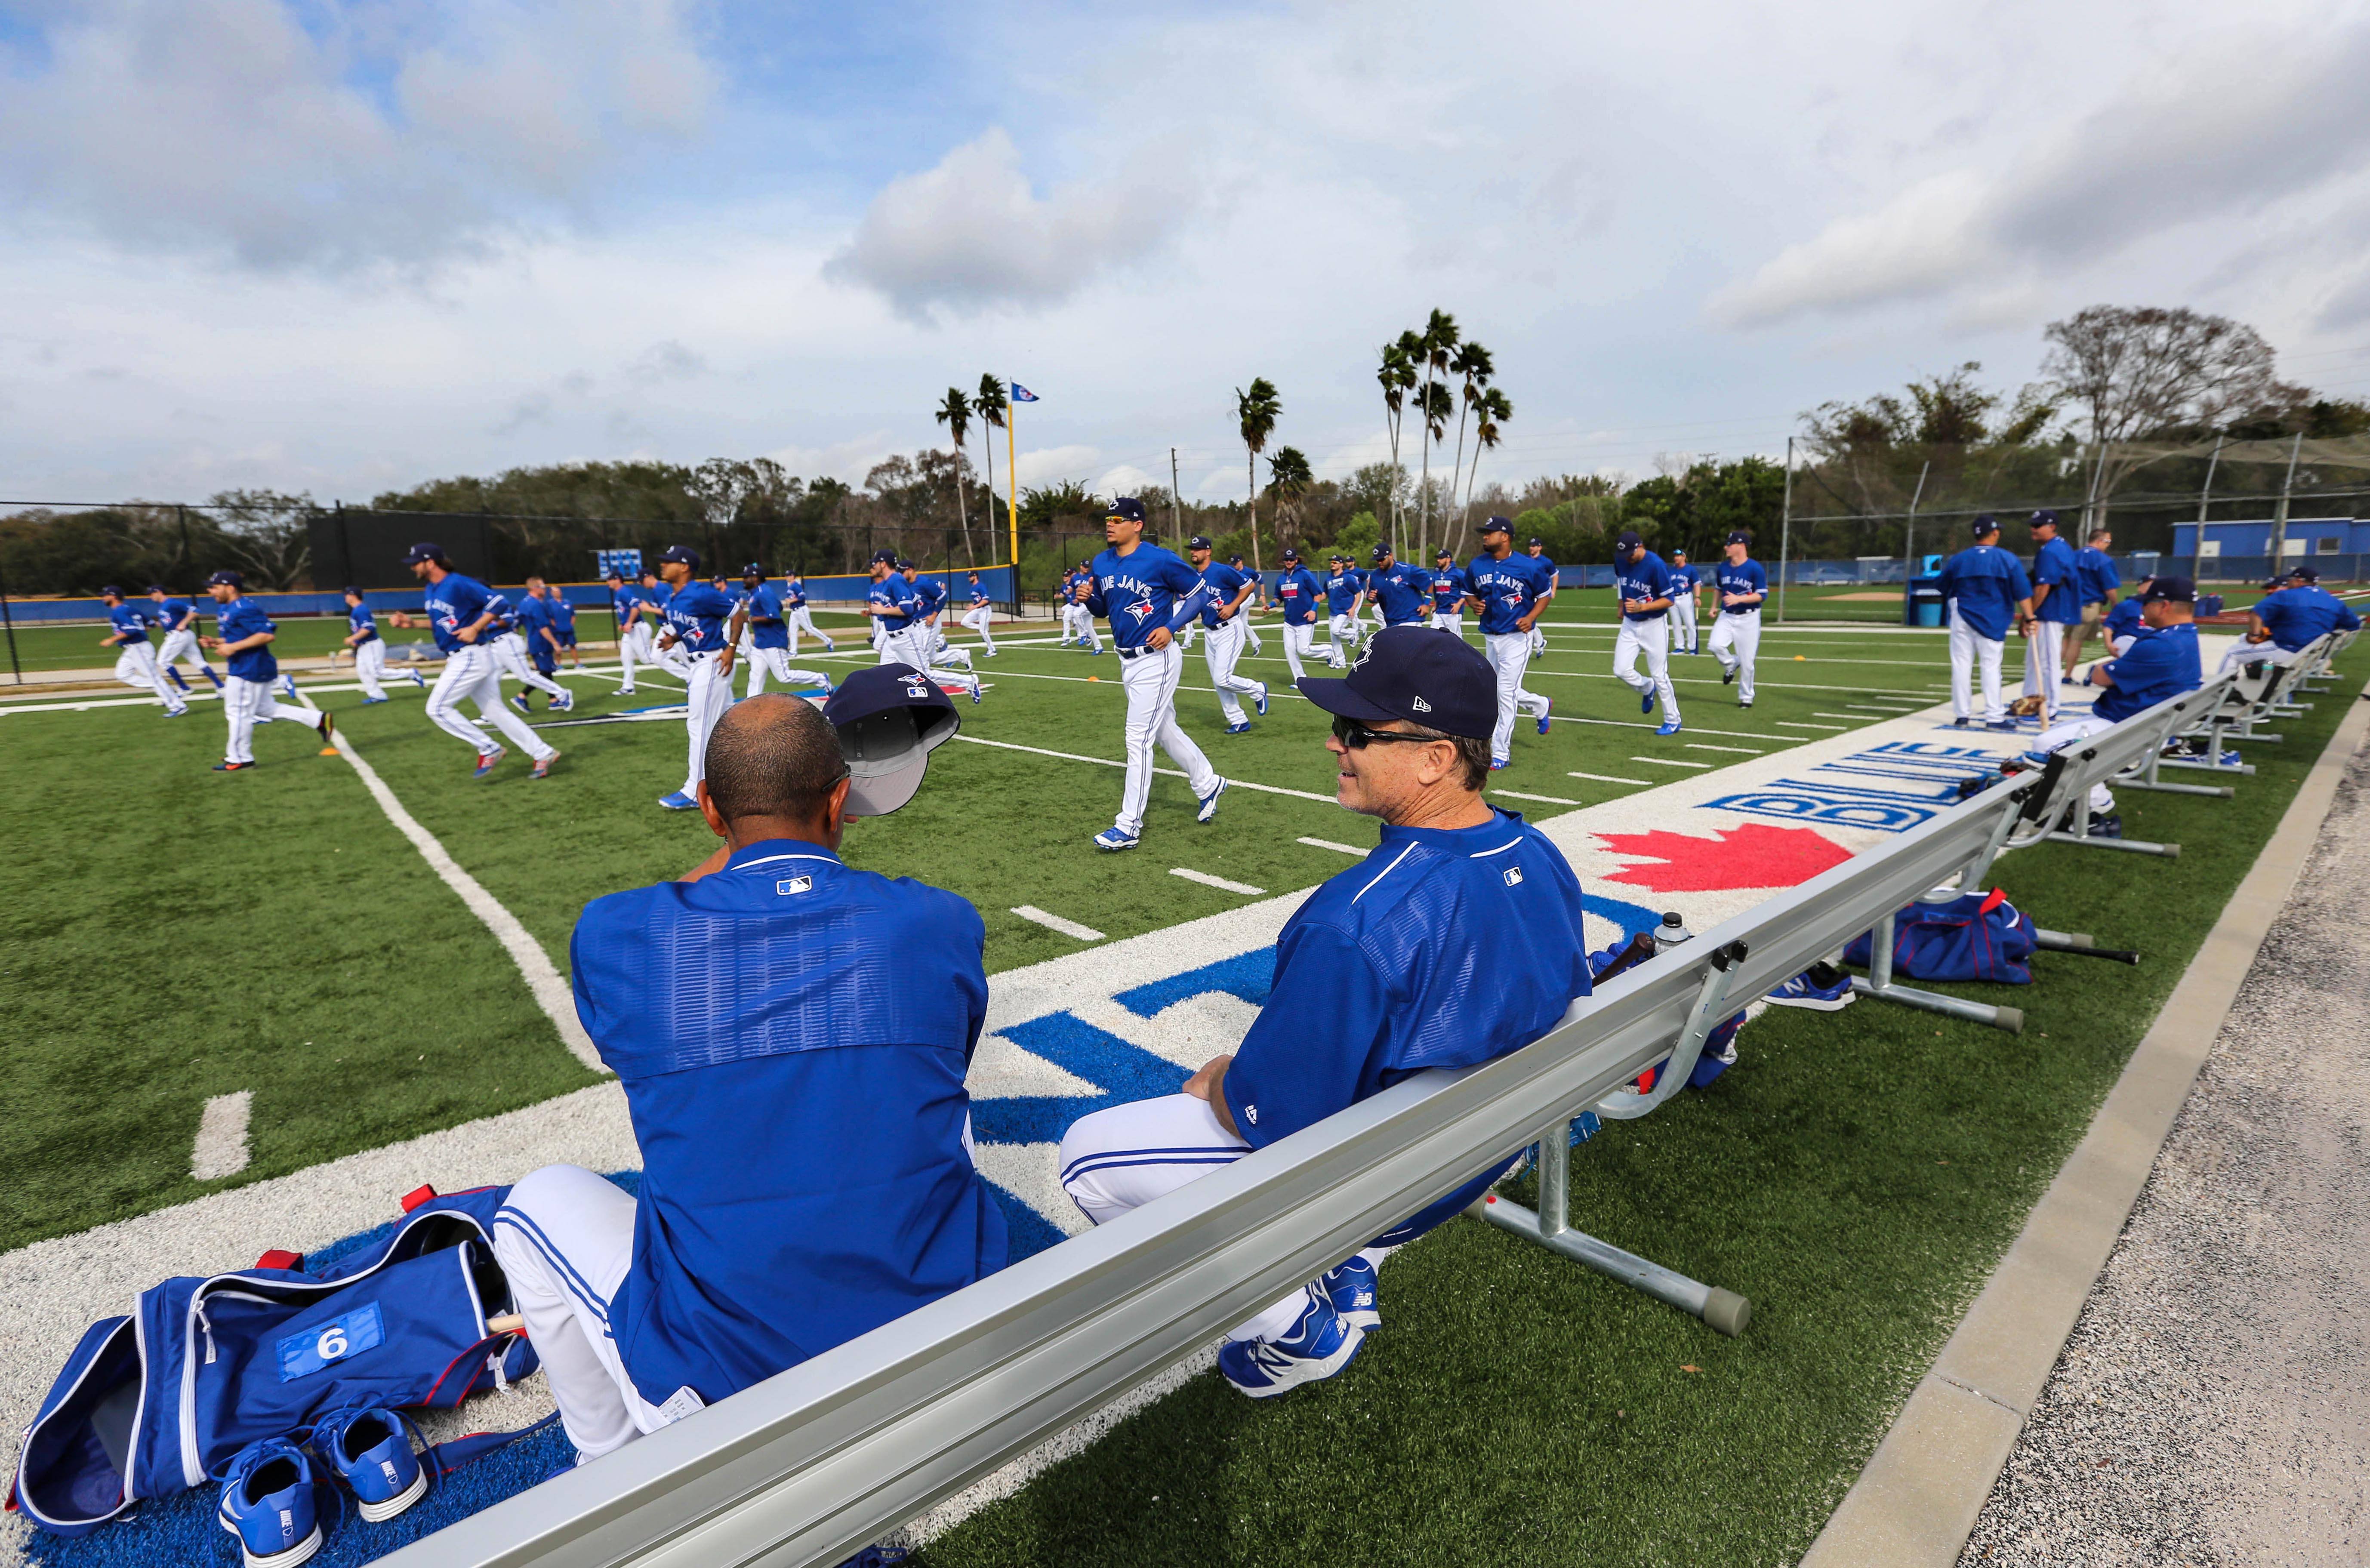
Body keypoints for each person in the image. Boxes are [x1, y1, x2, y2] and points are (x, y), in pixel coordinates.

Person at [1056, 628, 1593, 1397]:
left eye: (1358, 732)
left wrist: (1215, 1083)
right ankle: (1344, 1264)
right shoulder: (1534, 849)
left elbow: (1268, 1112)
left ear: (1436, 758)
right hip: (1489, 1144)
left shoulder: (1358, 917)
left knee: (1088, 1158)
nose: (1332, 743)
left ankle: (1295, 1326)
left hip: (1393, 1184)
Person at [493, 678, 1007, 1464]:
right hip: (939, 1342)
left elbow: (650, 992)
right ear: (839, 804)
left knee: (532, 1206)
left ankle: (606, 1467)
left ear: (707, 810)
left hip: (731, 1385)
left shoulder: (616, 936)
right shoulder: (937, 921)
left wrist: (743, 845)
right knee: (931, 1102)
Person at [1082, 498, 1226, 849]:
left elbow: (1199, 594)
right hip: (1126, 660)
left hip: (1156, 658)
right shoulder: (1102, 561)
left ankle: (1128, 825)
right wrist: (1088, 599)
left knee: (1137, 739)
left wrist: (1172, 626)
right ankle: (1208, 783)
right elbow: (1106, 607)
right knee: (1162, 730)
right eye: (1108, 519)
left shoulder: (1160, 559)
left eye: (1118, 519)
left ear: (1137, 525)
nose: (1110, 524)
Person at [2028, 578, 2204, 838]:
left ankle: (2092, 810)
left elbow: (2100, 677)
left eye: (2148, 604)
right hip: (2149, 723)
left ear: (2164, 606)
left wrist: (2102, 668)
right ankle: (2084, 805)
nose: (2143, 610)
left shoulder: (2161, 645)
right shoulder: (2185, 636)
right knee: (2061, 738)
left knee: (2044, 747)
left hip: (2129, 728)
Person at [398, 545, 559, 781]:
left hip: (470, 655)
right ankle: (543, 753)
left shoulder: (458, 583)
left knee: (437, 709)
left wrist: (475, 627)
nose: (412, 567)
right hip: (464, 655)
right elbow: (445, 623)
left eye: (416, 562)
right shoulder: (432, 589)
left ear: (430, 563)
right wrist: (412, 624)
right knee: (495, 712)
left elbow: (500, 603)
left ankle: (488, 748)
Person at [199, 570, 335, 770]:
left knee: (237, 713)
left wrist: (232, 648)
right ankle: (318, 720)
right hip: (245, 666)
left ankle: (240, 758)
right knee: (264, 709)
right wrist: (217, 642)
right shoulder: (227, 608)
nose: (211, 591)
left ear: (231, 588)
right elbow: (239, 636)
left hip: (250, 668)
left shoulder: (243, 608)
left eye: (215, 587)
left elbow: (266, 635)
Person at [651, 545, 737, 810]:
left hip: (712, 661)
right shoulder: (675, 597)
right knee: (730, 725)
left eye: (669, 562)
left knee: (699, 726)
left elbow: (738, 614)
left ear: (685, 566)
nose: (663, 566)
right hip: (699, 664)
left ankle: (695, 790)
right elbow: (693, 626)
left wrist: (731, 649)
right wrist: (674, 638)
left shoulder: (702, 593)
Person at [1464, 516, 1553, 769]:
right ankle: (1541, 705)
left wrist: (1532, 617)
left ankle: (1500, 752)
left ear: (1505, 536)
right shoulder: (1477, 565)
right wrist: (1473, 604)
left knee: (1504, 692)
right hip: (1491, 636)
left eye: (1489, 532)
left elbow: (1544, 595)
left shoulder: (1528, 566)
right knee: (1496, 689)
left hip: (1517, 637)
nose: (1484, 536)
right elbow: (1469, 591)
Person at [1938, 516, 2033, 731]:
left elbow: (1943, 586)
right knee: (1990, 667)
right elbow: (2023, 592)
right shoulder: (2006, 558)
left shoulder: (1959, 559)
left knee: (1961, 666)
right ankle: (1994, 717)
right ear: (1996, 533)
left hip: (1962, 614)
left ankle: (1962, 716)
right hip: (1993, 618)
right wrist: (2030, 617)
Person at [1188, 534, 1268, 733]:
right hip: (1209, 631)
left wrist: (1233, 606)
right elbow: (1196, 601)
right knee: (1218, 681)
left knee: (1222, 677)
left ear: (1208, 551)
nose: (1193, 552)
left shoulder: (1222, 570)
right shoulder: (1193, 576)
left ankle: (1257, 689)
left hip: (1228, 629)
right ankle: (1238, 720)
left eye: (1198, 549)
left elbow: (1249, 585)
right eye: (1192, 549)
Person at [2219, 564, 2360, 672]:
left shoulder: (2286, 595)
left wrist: (2255, 635)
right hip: (2315, 652)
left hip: (2289, 651)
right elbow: (2353, 624)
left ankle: (2221, 690)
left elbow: (2256, 614)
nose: (2289, 583)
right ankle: (2268, 673)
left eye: (2290, 580)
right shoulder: (2332, 600)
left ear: (2299, 581)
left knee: (2233, 652)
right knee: (2246, 640)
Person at [1611, 530, 1681, 736]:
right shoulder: (1621, 560)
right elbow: (1621, 584)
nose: (1628, 559)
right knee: (1621, 670)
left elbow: (1670, 600)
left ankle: (1673, 719)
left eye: (1631, 554)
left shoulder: (1656, 565)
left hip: (1654, 623)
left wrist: (1642, 607)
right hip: (1630, 624)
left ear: (1640, 547)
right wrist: (1621, 605)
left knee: (1660, 674)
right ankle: (1647, 688)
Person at [731, 565, 834, 699]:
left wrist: (750, 619)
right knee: (755, 676)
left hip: (774, 641)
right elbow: (778, 606)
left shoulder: (764, 593)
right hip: (761, 643)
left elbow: (772, 615)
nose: (743, 580)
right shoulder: (756, 592)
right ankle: (752, 704)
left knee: (784, 676)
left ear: (755, 578)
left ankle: (821, 679)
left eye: (746, 577)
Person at [2020, 509, 2080, 724]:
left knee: (2047, 662)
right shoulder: (2058, 547)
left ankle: (2051, 706)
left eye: (2038, 526)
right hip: (2051, 610)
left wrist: (2029, 615)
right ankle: (2030, 701)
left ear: (2052, 526)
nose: (2033, 530)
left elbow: (2044, 586)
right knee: (2035, 660)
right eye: (2033, 525)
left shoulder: (2052, 551)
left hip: (2050, 611)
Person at [98, 586, 189, 717]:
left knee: (155, 678)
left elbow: (131, 630)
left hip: (138, 647)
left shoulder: (119, 612)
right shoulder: (131, 609)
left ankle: (178, 706)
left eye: (105, 595)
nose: (103, 598)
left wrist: (111, 640)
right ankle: (166, 690)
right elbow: (151, 624)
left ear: (113, 597)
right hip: (133, 649)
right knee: (123, 674)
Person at [1706, 531, 1767, 708]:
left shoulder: (1755, 568)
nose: (1726, 547)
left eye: (1730, 544)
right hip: (1727, 615)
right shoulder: (1723, 567)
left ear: (1741, 546)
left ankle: (1746, 698)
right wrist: (1713, 607)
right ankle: (1732, 663)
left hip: (1749, 617)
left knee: (1748, 663)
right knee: (1715, 645)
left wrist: (1739, 599)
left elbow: (1761, 595)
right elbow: (1719, 588)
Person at [509, 578, 575, 712]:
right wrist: (555, 643)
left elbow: (516, 624)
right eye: (543, 586)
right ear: (535, 588)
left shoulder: (524, 603)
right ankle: (522, 696)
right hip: (540, 641)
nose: (545, 589)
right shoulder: (536, 605)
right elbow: (543, 627)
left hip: (533, 641)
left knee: (547, 671)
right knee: (543, 673)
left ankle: (553, 700)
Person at [2064, 527, 2119, 677]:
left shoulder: (2073, 556)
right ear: (2100, 541)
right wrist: (2115, 605)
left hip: (2069, 604)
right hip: (2089, 604)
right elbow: (2110, 588)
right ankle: (2067, 675)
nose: (2108, 545)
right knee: (2076, 641)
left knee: (2066, 639)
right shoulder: (2104, 560)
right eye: (2108, 541)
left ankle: (2052, 674)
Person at [147, 584, 221, 692]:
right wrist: (152, 626)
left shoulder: (171, 603)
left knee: (163, 661)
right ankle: (221, 686)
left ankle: (184, 688)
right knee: (199, 663)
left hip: (179, 635)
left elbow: (195, 611)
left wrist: (184, 622)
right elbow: (167, 623)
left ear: (159, 592)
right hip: (183, 635)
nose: (150, 597)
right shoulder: (163, 606)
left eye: (151, 594)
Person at [1273, 547, 1324, 680]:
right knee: (1290, 651)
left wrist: (1313, 610)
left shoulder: (1305, 575)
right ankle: (1300, 679)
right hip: (1289, 621)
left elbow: (1318, 594)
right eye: (1286, 560)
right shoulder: (1281, 579)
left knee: (1304, 650)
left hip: (1305, 619)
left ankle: (1329, 651)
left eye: (1291, 560)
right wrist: (1270, 605)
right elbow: (1278, 598)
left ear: (1296, 560)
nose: (1289, 562)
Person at [1365, 543, 1431, 630]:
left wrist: (1426, 603)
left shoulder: (1407, 570)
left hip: (1410, 618)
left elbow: (1429, 582)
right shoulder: (1375, 576)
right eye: (1377, 560)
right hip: (1391, 621)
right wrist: (1371, 597)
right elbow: (1373, 596)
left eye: (1382, 559)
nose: (1380, 562)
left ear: (1391, 556)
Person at [341, 586, 389, 704]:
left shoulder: (360, 610)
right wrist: (356, 641)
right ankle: (378, 695)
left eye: (346, 595)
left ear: (353, 596)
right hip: (364, 645)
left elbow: (368, 628)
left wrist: (352, 638)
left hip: (371, 645)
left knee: (377, 672)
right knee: (362, 671)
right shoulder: (357, 609)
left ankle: (411, 673)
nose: (345, 597)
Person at [606, 570, 647, 695]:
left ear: (617, 579)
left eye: (610, 579)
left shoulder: (625, 591)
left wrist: (629, 622)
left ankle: (677, 654)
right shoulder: (619, 593)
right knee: (626, 657)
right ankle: (628, 687)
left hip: (638, 627)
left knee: (647, 659)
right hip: (630, 630)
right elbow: (626, 610)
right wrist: (624, 623)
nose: (608, 582)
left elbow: (636, 606)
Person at [1322, 554, 1366, 668]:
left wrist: (1353, 609)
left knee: (1336, 630)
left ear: (1341, 565)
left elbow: (1358, 593)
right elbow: (1325, 594)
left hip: (1344, 611)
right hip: (1333, 611)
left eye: (1335, 562)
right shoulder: (1329, 578)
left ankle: (1353, 634)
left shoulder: (1348, 577)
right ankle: (1341, 662)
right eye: (1331, 562)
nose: (1332, 564)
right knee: (1334, 639)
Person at [783, 572, 835, 654]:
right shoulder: (790, 587)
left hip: (801, 610)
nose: (786, 577)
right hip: (794, 611)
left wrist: (792, 601)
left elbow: (802, 596)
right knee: (792, 630)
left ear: (793, 577)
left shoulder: (796, 586)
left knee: (809, 628)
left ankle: (828, 640)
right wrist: (788, 600)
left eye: (788, 576)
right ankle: (793, 651)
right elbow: (789, 598)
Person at [1525, 536, 1558, 656]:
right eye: (1530, 546)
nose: (1531, 548)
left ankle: (1537, 644)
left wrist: (1553, 590)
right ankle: (1540, 643)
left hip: (1540, 593)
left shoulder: (1546, 562)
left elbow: (1555, 575)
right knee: (1528, 618)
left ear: (1540, 547)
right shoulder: (1526, 560)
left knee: (1529, 618)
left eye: (1534, 546)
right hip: (1528, 592)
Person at [1427, 548, 1470, 638]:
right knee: (1432, 636)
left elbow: (1467, 589)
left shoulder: (1458, 574)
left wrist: (1459, 604)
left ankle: (1460, 653)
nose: (1438, 560)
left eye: (1441, 558)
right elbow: (1438, 592)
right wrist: (1436, 605)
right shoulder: (1437, 574)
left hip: (1453, 612)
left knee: (1455, 638)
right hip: (1440, 611)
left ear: (1448, 559)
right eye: (1438, 558)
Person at [1228, 555, 1267, 655]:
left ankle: (1236, 643)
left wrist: (1263, 594)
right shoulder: (1234, 572)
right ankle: (1257, 643)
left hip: (1249, 596)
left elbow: (1261, 581)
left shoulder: (1249, 572)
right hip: (1240, 598)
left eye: (1235, 564)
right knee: (1244, 623)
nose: (1234, 566)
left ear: (1241, 562)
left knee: (1234, 614)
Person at [1667, 549, 1700, 655]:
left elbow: (1697, 584)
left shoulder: (1690, 570)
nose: (1677, 558)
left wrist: (1698, 597)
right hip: (1673, 598)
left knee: (1690, 623)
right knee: (1676, 624)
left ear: (1684, 557)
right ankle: (1680, 647)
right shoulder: (1671, 571)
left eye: (1679, 556)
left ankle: (1692, 647)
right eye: (1676, 556)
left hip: (1686, 596)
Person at [960, 570, 998, 656]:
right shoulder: (972, 588)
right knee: (964, 622)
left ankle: (992, 650)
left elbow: (986, 600)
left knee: (983, 632)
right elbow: (978, 600)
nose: (969, 578)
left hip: (985, 610)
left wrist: (974, 607)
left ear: (975, 576)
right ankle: (981, 628)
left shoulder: (981, 586)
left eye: (970, 576)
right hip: (978, 609)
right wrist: (973, 605)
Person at [548, 584, 582, 670]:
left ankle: (577, 663)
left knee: (573, 646)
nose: (558, 593)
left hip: (569, 629)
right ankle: (558, 664)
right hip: (558, 630)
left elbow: (573, 615)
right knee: (558, 647)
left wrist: (571, 625)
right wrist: (555, 626)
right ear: (552, 593)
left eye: (559, 591)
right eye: (556, 592)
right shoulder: (550, 604)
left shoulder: (568, 603)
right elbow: (550, 618)